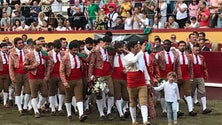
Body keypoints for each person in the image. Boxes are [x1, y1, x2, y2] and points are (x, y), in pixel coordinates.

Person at [59, 40, 87, 122]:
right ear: (70, 49)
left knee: (79, 97)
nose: (75, 52)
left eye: (77, 50)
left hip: (78, 79)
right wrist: (64, 82)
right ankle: (69, 114)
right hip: (69, 80)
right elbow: (61, 71)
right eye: (74, 50)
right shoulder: (65, 58)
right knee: (68, 97)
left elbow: (87, 60)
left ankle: (81, 114)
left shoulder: (79, 56)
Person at [123, 41, 150, 125]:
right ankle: (134, 120)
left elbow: (144, 69)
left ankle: (145, 120)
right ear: (131, 48)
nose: (138, 48)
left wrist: (147, 81)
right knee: (132, 101)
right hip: (132, 81)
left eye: (138, 46)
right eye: (136, 46)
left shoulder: (140, 56)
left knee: (143, 101)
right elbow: (133, 61)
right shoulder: (127, 57)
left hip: (141, 81)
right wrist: (142, 51)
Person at [88, 36, 115, 121]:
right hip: (98, 75)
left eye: (108, 44)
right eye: (106, 44)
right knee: (99, 94)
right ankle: (101, 113)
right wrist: (90, 75)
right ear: (102, 42)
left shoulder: (108, 50)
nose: (107, 45)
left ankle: (109, 111)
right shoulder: (95, 51)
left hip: (107, 74)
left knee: (111, 93)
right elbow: (91, 63)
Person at [23, 39, 49, 118]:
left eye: (41, 44)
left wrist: (46, 75)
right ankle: (36, 111)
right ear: (34, 45)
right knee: (34, 95)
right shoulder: (29, 55)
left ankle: (37, 107)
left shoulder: (44, 53)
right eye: (38, 44)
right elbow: (24, 66)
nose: (40, 46)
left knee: (45, 94)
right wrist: (34, 66)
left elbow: (48, 65)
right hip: (33, 77)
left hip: (42, 77)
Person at [8, 37, 31, 115]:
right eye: (19, 43)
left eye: (22, 43)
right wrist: (12, 77)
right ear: (15, 45)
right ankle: (20, 108)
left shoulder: (27, 52)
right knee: (17, 91)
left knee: (28, 91)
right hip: (17, 74)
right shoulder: (12, 53)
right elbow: (10, 66)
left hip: (26, 74)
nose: (22, 44)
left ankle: (24, 106)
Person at [190, 44, 212, 114]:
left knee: (203, 92)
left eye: (198, 50)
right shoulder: (189, 57)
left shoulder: (201, 57)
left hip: (200, 77)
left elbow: (204, 67)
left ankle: (204, 108)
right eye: (196, 50)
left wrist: (205, 75)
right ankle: (191, 108)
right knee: (191, 93)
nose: (197, 51)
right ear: (192, 50)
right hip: (192, 77)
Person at [177, 41, 197, 116]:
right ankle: (177, 110)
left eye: (183, 45)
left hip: (186, 76)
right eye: (181, 45)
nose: (182, 47)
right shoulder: (175, 55)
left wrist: (191, 77)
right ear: (178, 46)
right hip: (178, 76)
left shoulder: (188, 55)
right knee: (176, 94)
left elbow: (191, 67)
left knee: (188, 93)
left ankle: (191, 110)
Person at [46, 39, 66, 116]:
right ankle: (53, 108)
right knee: (52, 92)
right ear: (53, 47)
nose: (58, 50)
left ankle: (60, 107)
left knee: (62, 91)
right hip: (51, 75)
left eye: (59, 48)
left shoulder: (63, 53)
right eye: (57, 48)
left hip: (61, 75)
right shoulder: (48, 54)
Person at [112, 42, 129, 120]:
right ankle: (121, 113)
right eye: (119, 48)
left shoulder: (126, 55)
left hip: (125, 77)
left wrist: (127, 69)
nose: (120, 49)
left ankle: (121, 109)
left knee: (126, 96)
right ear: (115, 49)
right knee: (118, 96)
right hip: (115, 77)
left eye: (121, 47)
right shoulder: (111, 56)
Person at [0, 42, 10, 108]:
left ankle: (5, 102)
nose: (5, 49)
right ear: (0, 48)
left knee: (6, 88)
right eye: (3, 48)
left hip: (7, 73)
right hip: (0, 73)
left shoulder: (8, 54)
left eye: (6, 48)